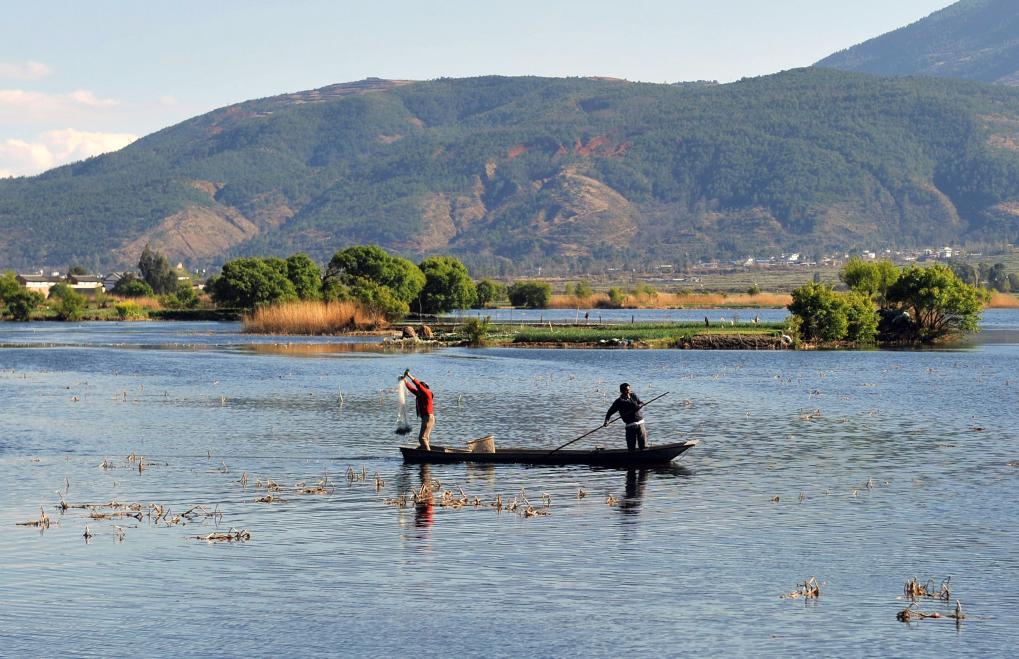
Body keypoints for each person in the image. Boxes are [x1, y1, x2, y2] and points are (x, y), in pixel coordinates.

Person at [604, 382, 647, 451]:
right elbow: (609, 412)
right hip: (630, 426)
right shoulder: (618, 402)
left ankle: (644, 456)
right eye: (626, 390)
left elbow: (641, 403)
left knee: (643, 447)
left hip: (641, 424)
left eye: (629, 390)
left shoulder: (633, 395)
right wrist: (606, 421)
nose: (628, 391)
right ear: (621, 391)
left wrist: (639, 406)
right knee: (631, 448)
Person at [401, 369, 434, 451]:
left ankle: (428, 453)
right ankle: (428, 451)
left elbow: (418, 385)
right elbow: (412, 389)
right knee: (425, 437)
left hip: (428, 418)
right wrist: (405, 380)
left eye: (420, 389)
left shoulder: (427, 393)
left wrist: (409, 375)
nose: (418, 390)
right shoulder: (420, 394)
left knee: (422, 438)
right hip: (428, 418)